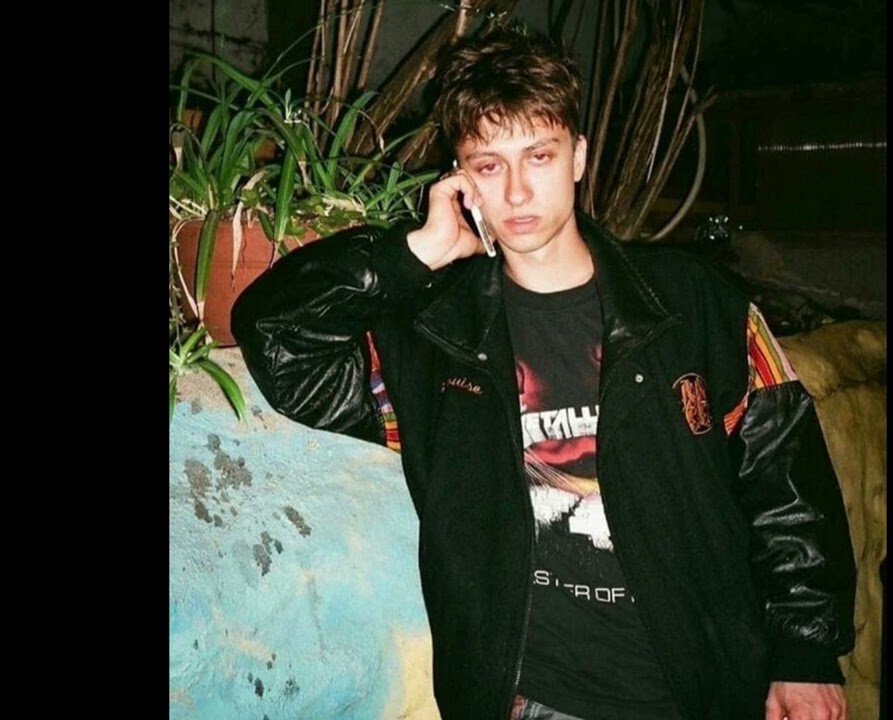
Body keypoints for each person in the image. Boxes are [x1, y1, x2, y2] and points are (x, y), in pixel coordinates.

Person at [233, 27, 856, 720]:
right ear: (460, 178)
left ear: (578, 157)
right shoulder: (436, 339)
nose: (518, 190)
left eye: (539, 155)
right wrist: (411, 255)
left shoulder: (695, 303)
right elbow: (277, 338)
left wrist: (805, 652)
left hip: (704, 691)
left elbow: (785, 477)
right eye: (489, 165)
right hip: (532, 701)